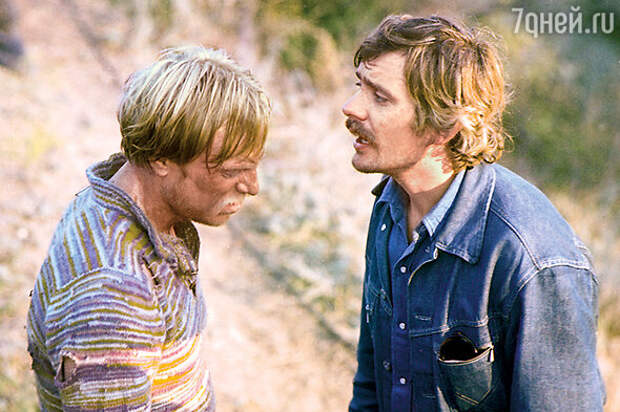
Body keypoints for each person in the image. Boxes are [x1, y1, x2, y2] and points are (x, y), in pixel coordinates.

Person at [343, 15, 605, 411]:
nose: (351, 108)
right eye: (359, 85)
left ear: (444, 127)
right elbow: (371, 385)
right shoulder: (390, 206)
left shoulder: (534, 259)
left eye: (380, 97)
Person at [27, 46, 270, 410]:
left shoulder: (118, 202)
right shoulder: (114, 296)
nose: (253, 186)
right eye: (231, 171)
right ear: (161, 159)